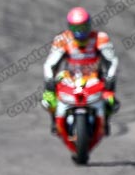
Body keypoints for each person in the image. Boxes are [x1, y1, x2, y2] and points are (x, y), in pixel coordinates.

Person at [42, 7, 120, 135]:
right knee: (48, 99)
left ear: (89, 25)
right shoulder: (62, 39)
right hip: (70, 76)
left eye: (83, 27)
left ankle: (105, 122)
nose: (80, 32)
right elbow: (50, 64)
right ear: (70, 27)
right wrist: (49, 82)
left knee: (110, 101)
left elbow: (112, 61)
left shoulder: (100, 38)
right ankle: (54, 122)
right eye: (76, 28)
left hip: (94, 77)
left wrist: (110, 78)